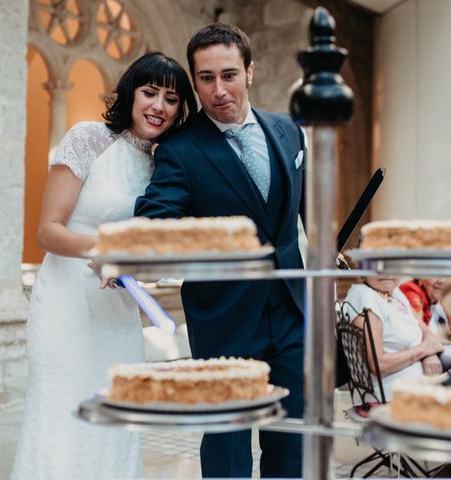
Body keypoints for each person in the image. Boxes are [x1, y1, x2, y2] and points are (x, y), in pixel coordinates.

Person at [10, 52, 196, 480]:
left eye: (171, 99)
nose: (159, 107)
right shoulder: (88, 138)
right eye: (149, 93)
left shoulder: (163, 166)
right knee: (61, 415)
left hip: (118, 309)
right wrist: (107, 251)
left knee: (116, 416)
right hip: (65, 304)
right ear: (131, 94)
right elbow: (48, 231)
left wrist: (145, 264)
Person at [134, 23, 306, 478]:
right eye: (205, 78)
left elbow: (295, 221)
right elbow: (157, 220)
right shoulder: (179, 149)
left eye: (229, 74)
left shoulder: (288, 132)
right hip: (225, 317)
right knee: (228, 446)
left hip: (292, 311)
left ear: (250, 71)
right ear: (195, 82)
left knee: (293, 441)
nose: (219, 89)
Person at [343, 277, 444, 399]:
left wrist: (429, 355)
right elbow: (378, 365)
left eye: (390, 264)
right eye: (378, 265)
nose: (386, 272)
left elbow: (426, 331)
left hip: (422, 380)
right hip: (397, 393)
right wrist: (423, 351)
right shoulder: (364, 297)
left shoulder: (394, 292)